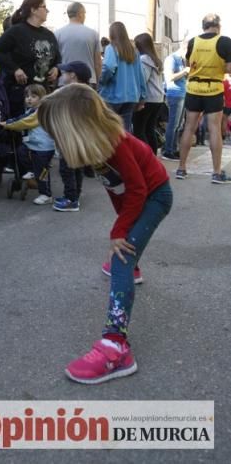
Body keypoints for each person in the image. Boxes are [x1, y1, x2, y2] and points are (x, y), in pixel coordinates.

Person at [38, 84, 172, 384]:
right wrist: (124, 227)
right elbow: (118, 190)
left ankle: (117, 346)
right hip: (137, 198)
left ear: (78, 129)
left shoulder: (116, 145)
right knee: (126, 247)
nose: (57, 143)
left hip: (156, 196)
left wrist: (120, 232)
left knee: (121, 257)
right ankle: (131, 262)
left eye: (58, 135)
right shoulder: (96, 149)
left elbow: (137, 191)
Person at [176, 13, 231, 184]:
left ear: (203, 26)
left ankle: (181, 169)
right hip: (213, 89)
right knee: (214, 129)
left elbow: (187, 64)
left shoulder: (193, 41)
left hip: (193, 89)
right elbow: (229, 68)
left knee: (189, 128)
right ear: (218, 26)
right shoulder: (224, 41)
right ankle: (216, 173)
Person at [0, 0, 60, 117]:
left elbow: (57, 57)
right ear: (33, 10)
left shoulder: (49, 34)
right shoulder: (16, 31)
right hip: (20, 94)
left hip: (42, 94)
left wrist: (56, 69)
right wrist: (15, 69)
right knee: (19, 131)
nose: (47, 10)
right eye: (44, 7)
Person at [0, 84, 55, 205]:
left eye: (33, 96)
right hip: (33, 145)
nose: (29, 99)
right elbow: (22, 118)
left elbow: (24, 122)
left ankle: (46, 194)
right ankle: (31, 171)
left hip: (44, 147)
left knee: (42, 172)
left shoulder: (40, 112)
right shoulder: (31, 110)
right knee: (21, 152)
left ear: (42, 98)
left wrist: (6, 124)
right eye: (27, 96)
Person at [52, 61, 92, 212]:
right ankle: (75, 194)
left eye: (65, 73)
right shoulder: (88, 91)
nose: (62, 75)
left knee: (66, 168)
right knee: (77, 167)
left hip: (70, 136)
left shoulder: (70, 92)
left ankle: (71, 200)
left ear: (73, 75)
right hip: (82, 136)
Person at [98, 21, 146, 131]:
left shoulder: (111, 48)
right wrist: (142, 95)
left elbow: (109, 67)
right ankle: (125, 148)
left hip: (112, 95)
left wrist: (102, 81)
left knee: (110, 130)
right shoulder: (134, 51)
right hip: (131, 96)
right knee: (125, 131)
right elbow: (140, 75)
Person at [54, 1, 102, 88]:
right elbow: (98, 63)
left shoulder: (57, 33)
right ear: (80, 14)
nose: (85, 16)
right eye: (84, 13)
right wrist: (99, 82)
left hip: (64, 81)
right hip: (89, 81)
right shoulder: (93, 34)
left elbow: (55, 60)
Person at [132, 32, 165, 154]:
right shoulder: (155, 59)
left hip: (148, 99)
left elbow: (142, 80)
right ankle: (153, 157)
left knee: (139, 130)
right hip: (158, 99)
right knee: (150, 129)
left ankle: (146, 158)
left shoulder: (143, 59)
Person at [161, 41, 189, 161]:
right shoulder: (171, 59)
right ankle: (168, 150)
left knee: (179, 124)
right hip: (174, 94)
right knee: (173, 124)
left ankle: (173, 148)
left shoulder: (182, 60)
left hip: (182, 93)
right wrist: (184, 71)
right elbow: (169, 77)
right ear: (185, 48)